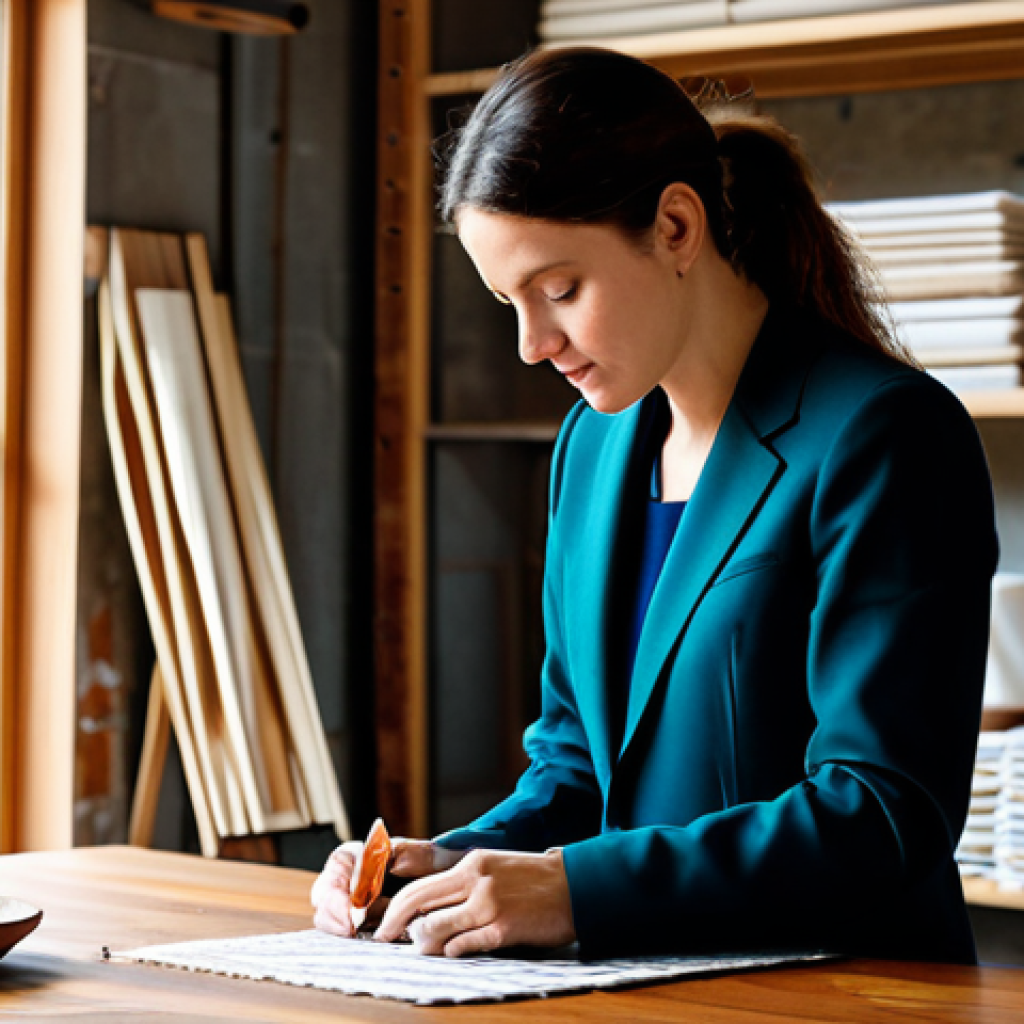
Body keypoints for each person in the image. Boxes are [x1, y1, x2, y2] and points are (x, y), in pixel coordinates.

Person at [312, 46, 998, 963]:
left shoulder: (886, 435)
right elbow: (575, 767)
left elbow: (880, 811)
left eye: (559, 290)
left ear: (677, 226)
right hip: (639, 986)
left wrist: (577, 890)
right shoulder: (593, 448)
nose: (529, 344)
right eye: (507, 301)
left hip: (841, 994)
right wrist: (453, 864)